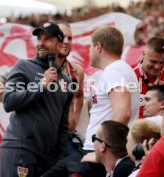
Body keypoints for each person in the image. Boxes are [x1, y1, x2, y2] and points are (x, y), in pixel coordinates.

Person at [43, 26, 140, 177]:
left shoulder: (115, 70)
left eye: (90, 46)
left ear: (98, 46)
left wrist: (103, 152)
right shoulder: (117, 70)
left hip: (97, 155)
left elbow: (123, 112)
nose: (89, 51)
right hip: (94, 151)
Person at [0, 22, 73, 177]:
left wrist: (57, 159)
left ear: (59, 45)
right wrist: (41, 85)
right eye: (39, 38)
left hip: (46, 159)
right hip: (20, 149)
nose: (41, 43)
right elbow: (9, 101)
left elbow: (63, 125)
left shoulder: (67, 82)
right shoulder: (23, 66)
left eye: (47, 39)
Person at [58, 23, 85, 154]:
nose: (66, 42)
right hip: (44, 140)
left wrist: (75, 117)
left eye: (70, 38)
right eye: (62, 37)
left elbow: (79, 95)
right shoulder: (37, 68)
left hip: (67, 138)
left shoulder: (77, 70)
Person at [131, 37, 164, 118]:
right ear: (143, 53)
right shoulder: (128, 74)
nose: (157, 66)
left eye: (162, 62)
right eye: (153, 61)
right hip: (132, 129)